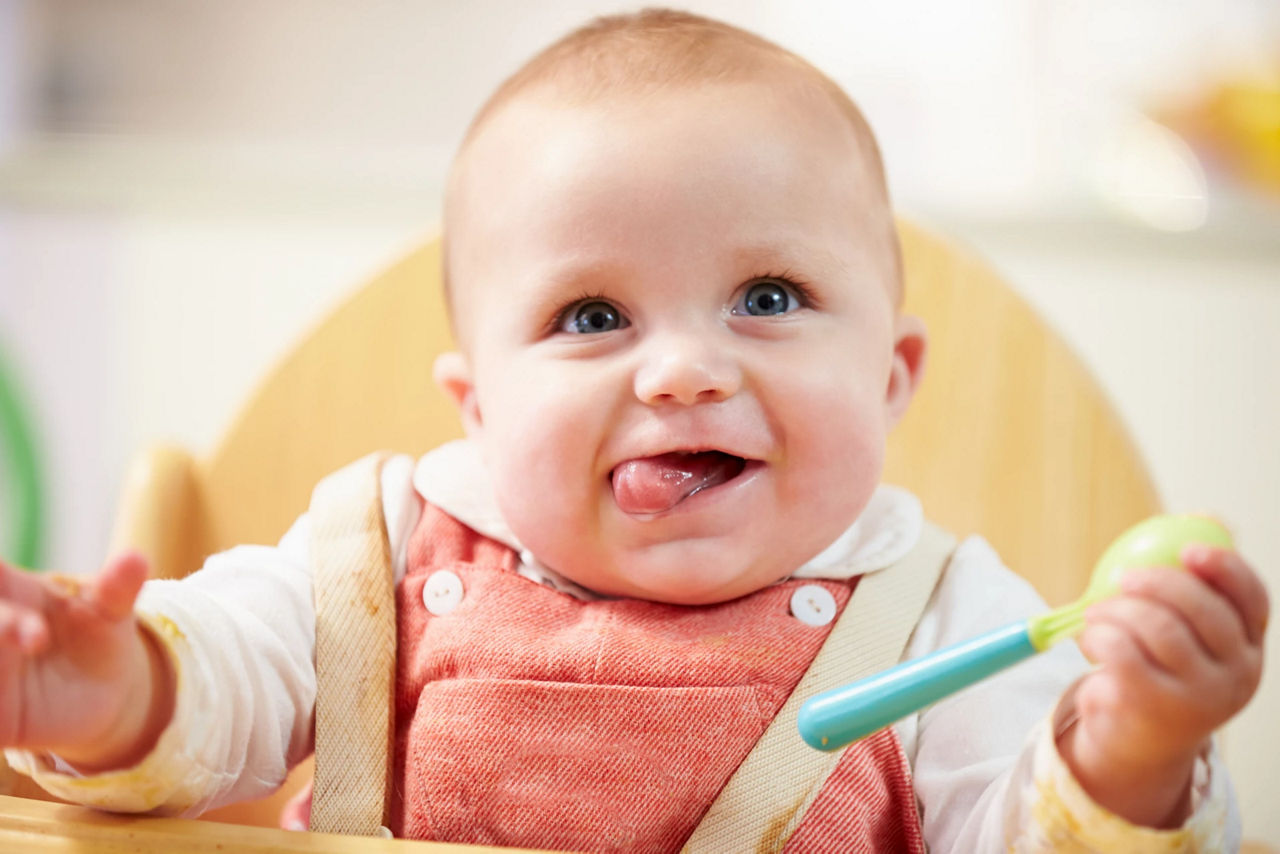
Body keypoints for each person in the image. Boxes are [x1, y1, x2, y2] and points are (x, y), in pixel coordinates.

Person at [0, 9, 1268, 852]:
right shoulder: (369, 554)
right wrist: (111, 689)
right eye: (590, 312)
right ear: (480, 409)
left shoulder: (950, 616)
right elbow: (223, 680)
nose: (680, 370)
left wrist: (1129, 750)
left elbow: (1016, 831)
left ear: (890, 377)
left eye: (768, 297)